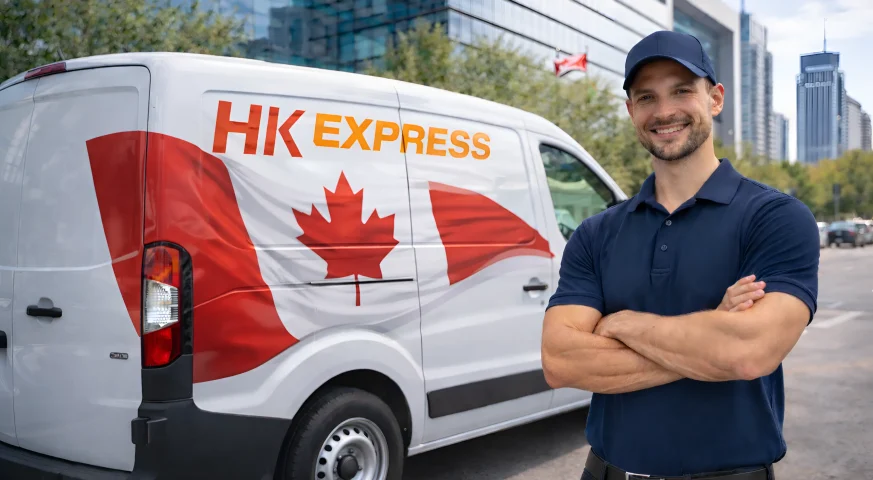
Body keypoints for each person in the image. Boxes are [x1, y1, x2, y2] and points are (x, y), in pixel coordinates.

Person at [540, 30, 820, 480]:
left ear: (715, 98)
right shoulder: (597, 233)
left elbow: (748, 352)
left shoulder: (776, 218)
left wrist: (621, 324)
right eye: (647, 96)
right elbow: (560, 360)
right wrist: (711, 335)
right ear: (631, 111)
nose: (664, 111)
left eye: (682, 91)